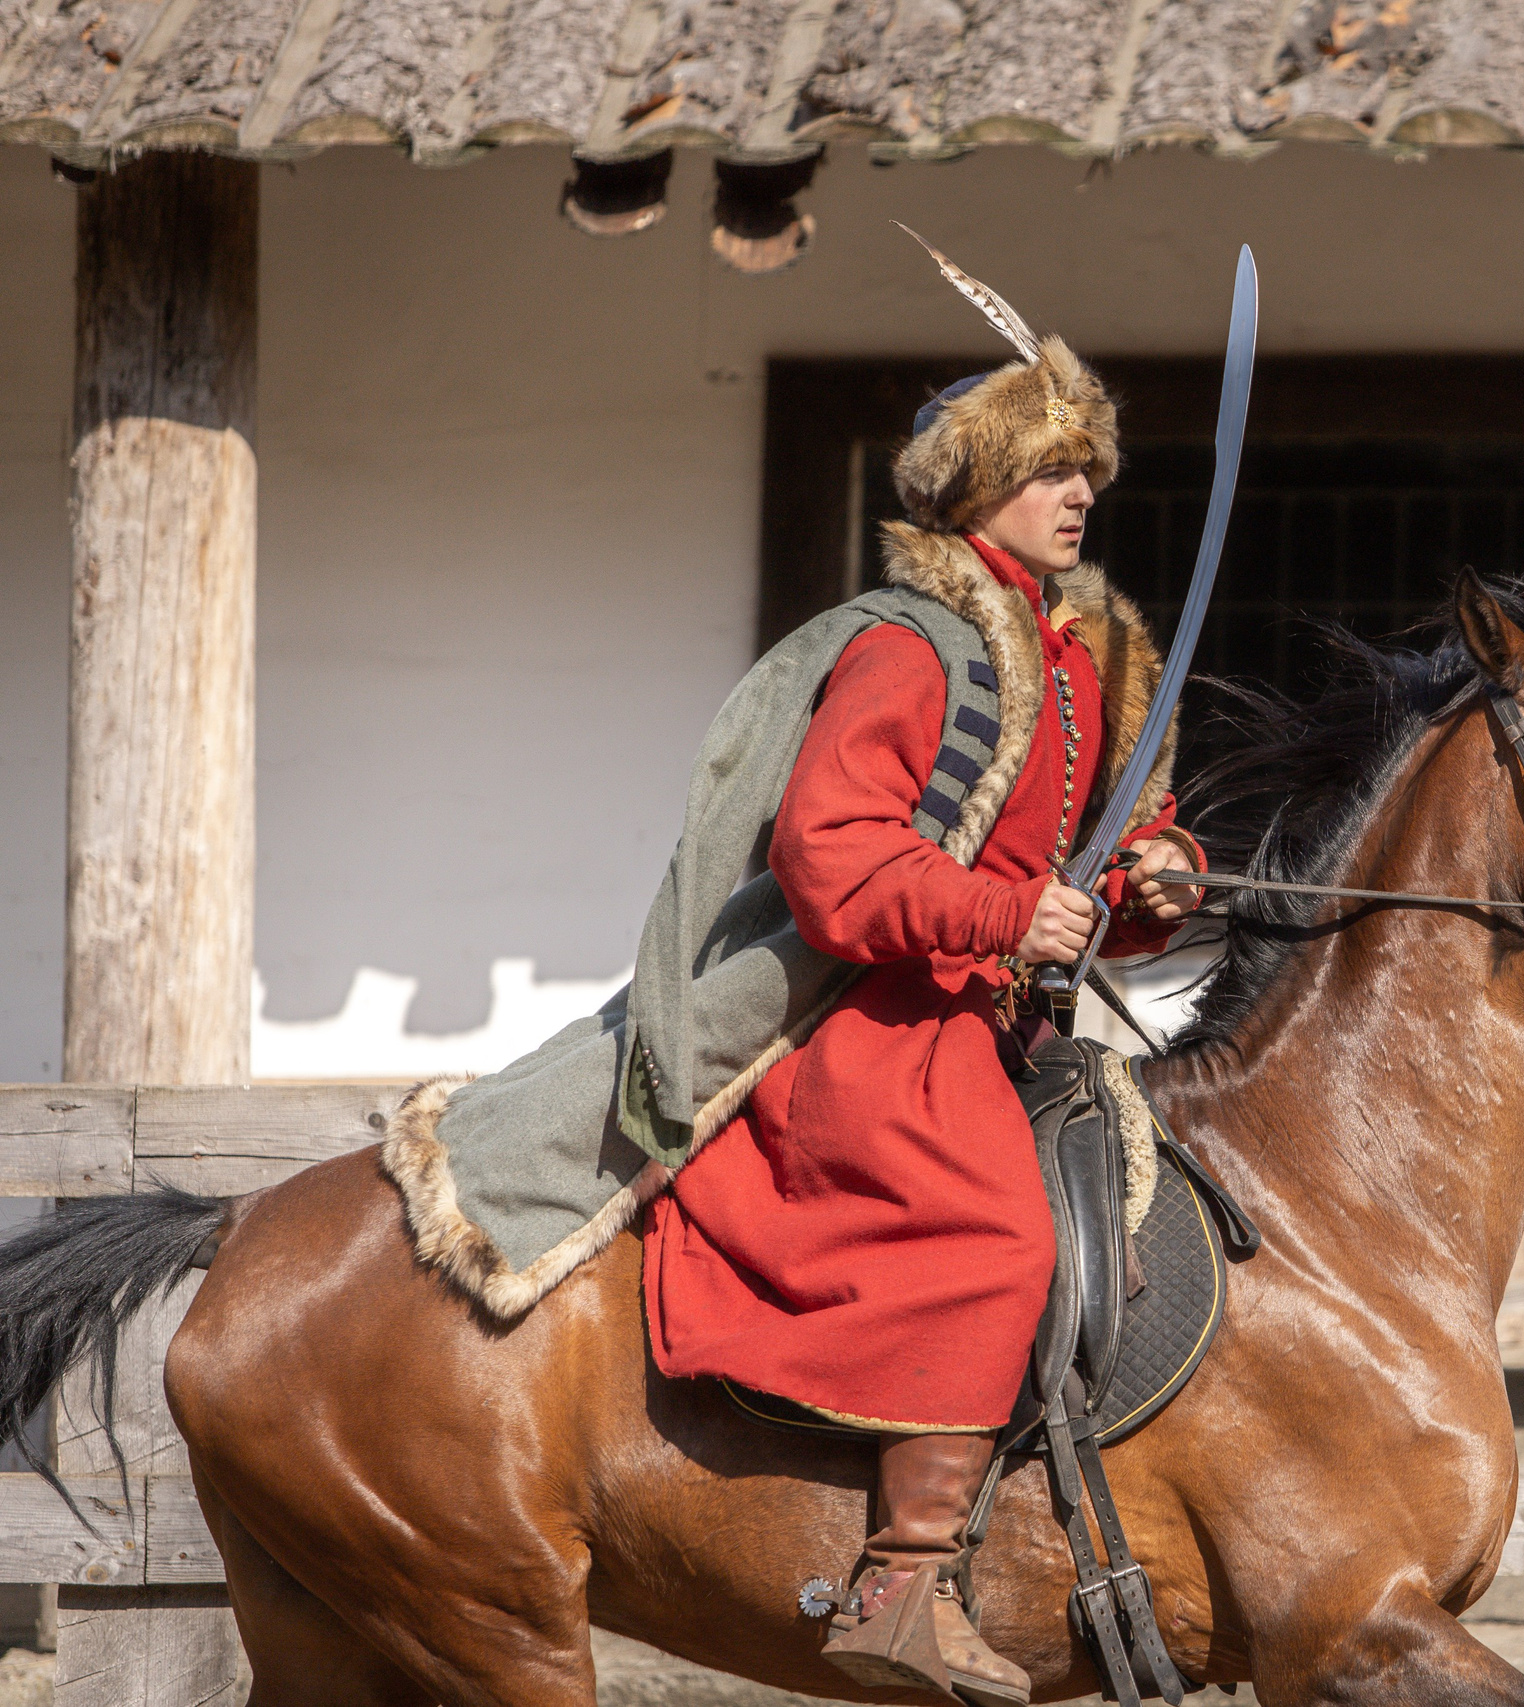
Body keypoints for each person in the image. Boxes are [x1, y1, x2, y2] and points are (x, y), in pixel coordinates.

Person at [641, 250, 1202, 1707]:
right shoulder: (910, 650)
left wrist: (1155, 881)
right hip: (877, 1027)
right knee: (995, 1234)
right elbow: (834, 869)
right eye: (1045, 471)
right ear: (970, 490)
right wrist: (1015, 918)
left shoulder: (1093, 662)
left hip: (1005, 1023)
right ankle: (899, 1584)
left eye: (1088, 470)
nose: (1079, 495)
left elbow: (1107, 855)